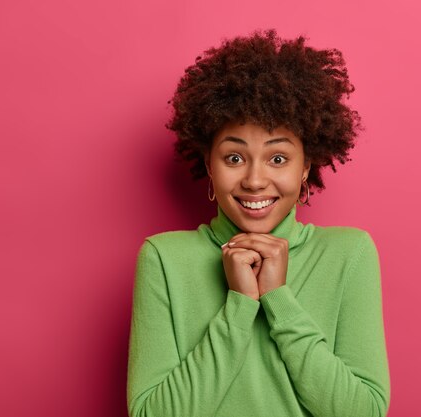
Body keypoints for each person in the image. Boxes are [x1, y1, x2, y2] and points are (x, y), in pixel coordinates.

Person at [126, 29, 390, 417]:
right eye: (234, 158)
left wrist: (278, 300)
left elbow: (365, 411)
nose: (253, 179)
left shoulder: (349, 254)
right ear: (208, 167)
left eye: (278, 158)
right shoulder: (163, 259)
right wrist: (240, 305)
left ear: (306, 168)